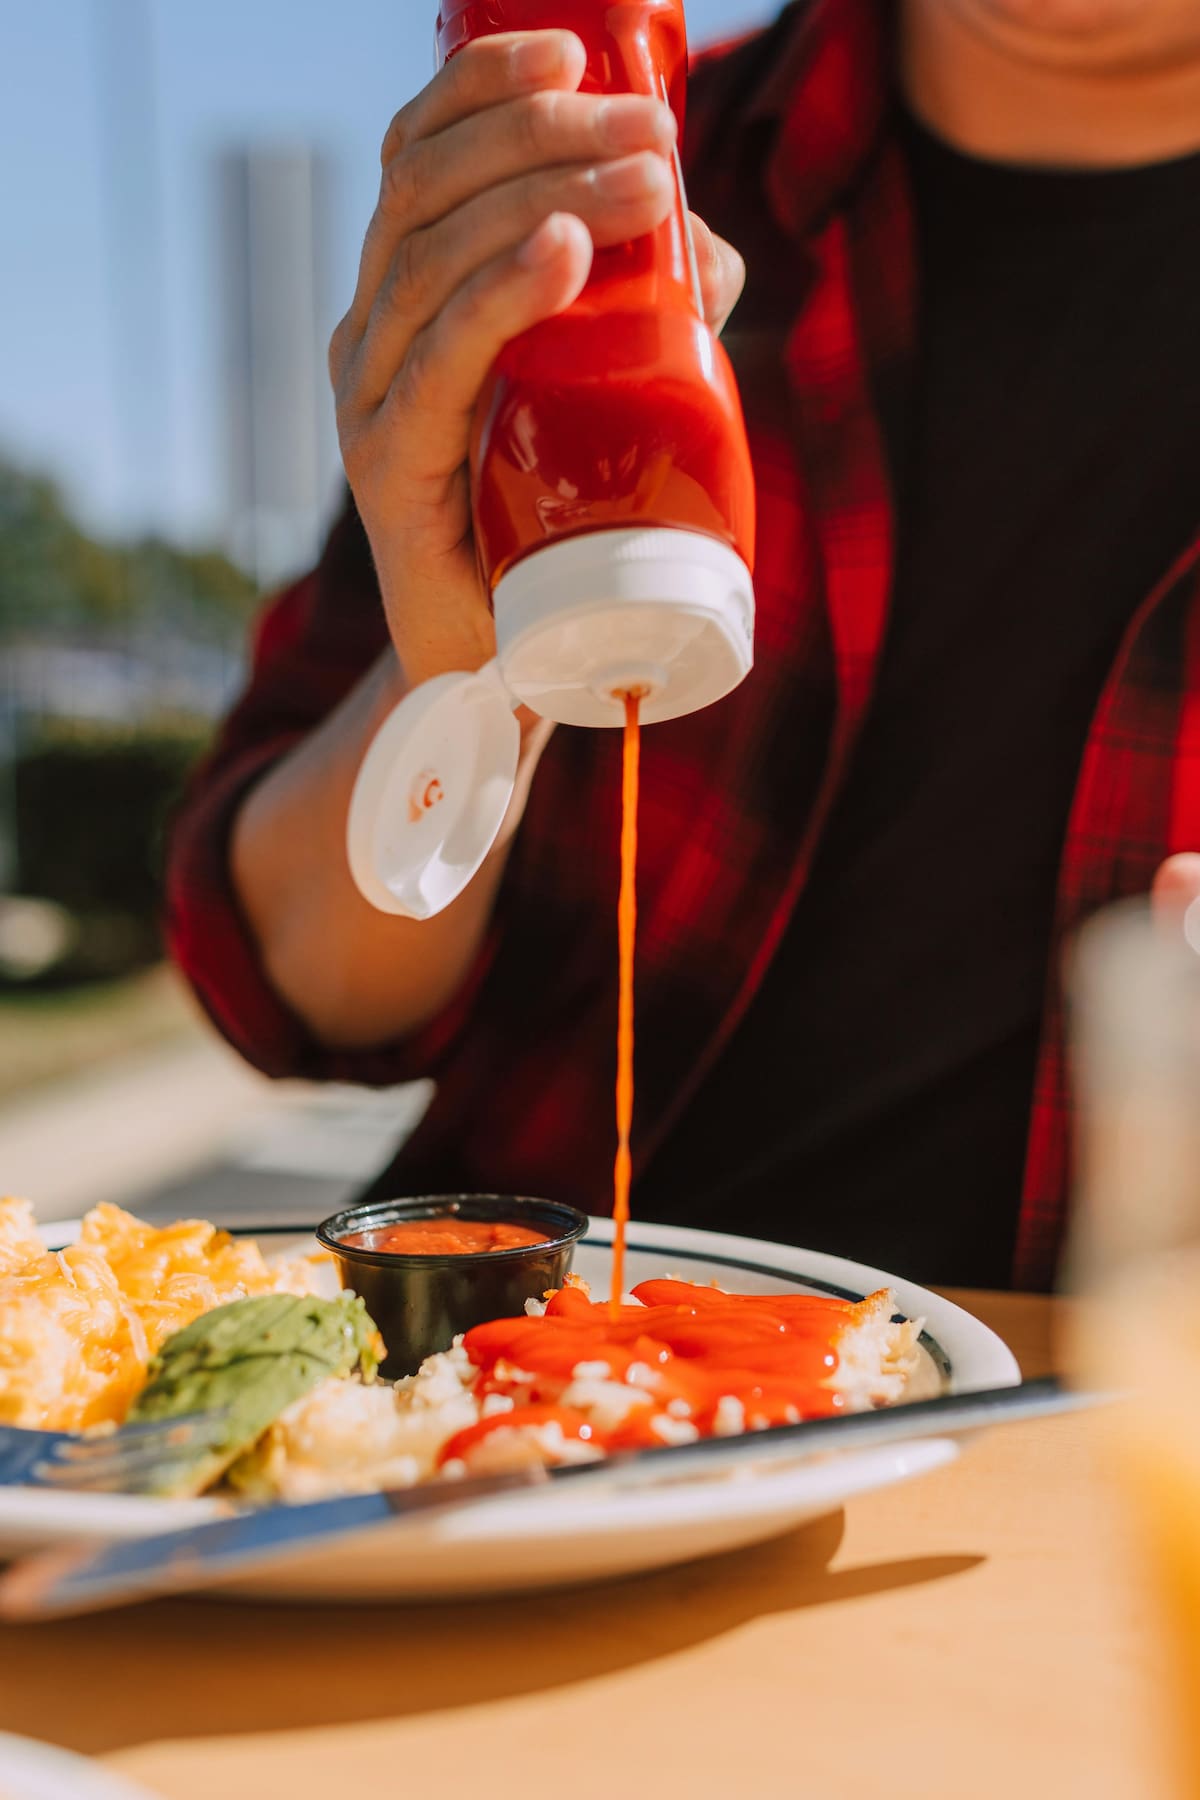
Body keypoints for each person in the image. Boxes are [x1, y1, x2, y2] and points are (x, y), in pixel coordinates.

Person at [166, 0, 1200, 1293]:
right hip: (531, 1387)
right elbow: (288, 989)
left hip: (1106, 1438)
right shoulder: (608, 166)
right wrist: (467, 672)